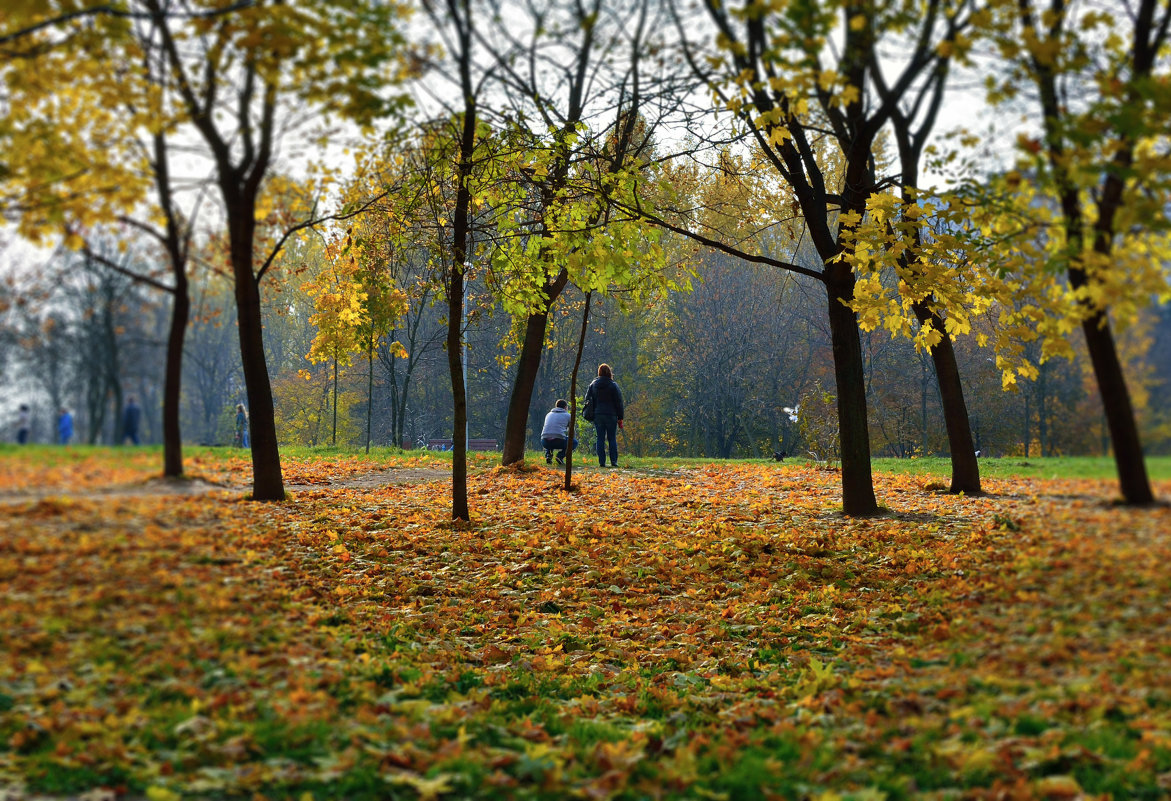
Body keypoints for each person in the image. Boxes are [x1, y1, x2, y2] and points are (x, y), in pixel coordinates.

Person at [584, 363, 624, 467]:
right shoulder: (613, 385)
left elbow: (587, 399)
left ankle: (602, 462)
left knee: (600, 438)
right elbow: (619, 402)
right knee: (612, 438)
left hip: (598, 414)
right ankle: (614, 461)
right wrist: (620, 417)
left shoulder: (593, 384)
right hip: (611, 415)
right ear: (610, 372)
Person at [540, 399, 577, 465]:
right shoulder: (568, 415)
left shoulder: (548, 414)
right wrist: (572, 439)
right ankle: (560, 456)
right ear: (565, 407)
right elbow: (572, 432)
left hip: (544, 442)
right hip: (558, 441)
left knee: (550, 435)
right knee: (574, 443)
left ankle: (548, 455)